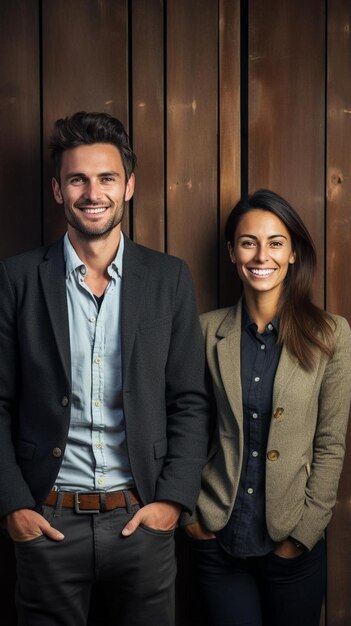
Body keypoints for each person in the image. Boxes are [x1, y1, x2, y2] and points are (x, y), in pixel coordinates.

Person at [0, 111, 209, 626]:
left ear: (129, 186)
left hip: (140, 523)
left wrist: (172, 505)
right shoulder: (18, 279)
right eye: (78, 179)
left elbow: (189, 400)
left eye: (107, 178)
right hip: (47, 521)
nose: (93, 193)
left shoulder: (168, 278)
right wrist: (14, 508)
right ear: (57, 189)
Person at [183, 189, 351, 626]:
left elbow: (330, 444)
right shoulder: (205, 332)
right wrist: (193, 520)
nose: (262, 255)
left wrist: (302, 534)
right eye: (247, 241)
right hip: (218, 538)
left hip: (293, 544)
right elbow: (184, 429)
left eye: (276, 242)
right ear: (231, 252)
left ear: (293, 253)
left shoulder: (332, 335)